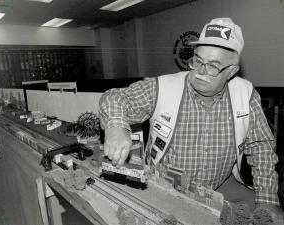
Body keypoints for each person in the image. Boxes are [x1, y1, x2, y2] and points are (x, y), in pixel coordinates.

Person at [99, 17, 284, 219]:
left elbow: (261, 147)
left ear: (231, 71)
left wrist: (267, 200)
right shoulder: (163, 87)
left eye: (213, 66)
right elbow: (115, 96)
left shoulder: (245, 94)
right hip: (165, 188)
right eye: (198, 60)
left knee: (270, 217)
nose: (201, 72)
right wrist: (116, 127)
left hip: (219, 185)